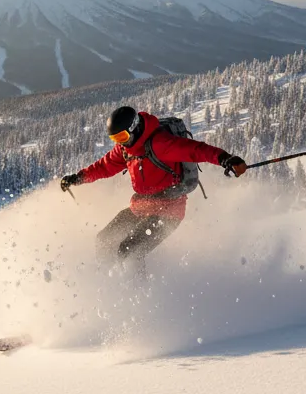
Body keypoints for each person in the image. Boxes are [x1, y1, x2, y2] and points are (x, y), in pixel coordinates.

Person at [60, 106, 247, 275]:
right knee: (104, 239)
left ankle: (136, 296)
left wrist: (225, 158)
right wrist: (78, 178)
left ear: (134, 128)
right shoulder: (126, 150)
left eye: (123, 137)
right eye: (116, 139)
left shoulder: (160, 144)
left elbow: (195, 150)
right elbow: (104, 166)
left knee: (129, 251)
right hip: (141, 207)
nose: (121, 143)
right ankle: (104, 279)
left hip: (168, 213)